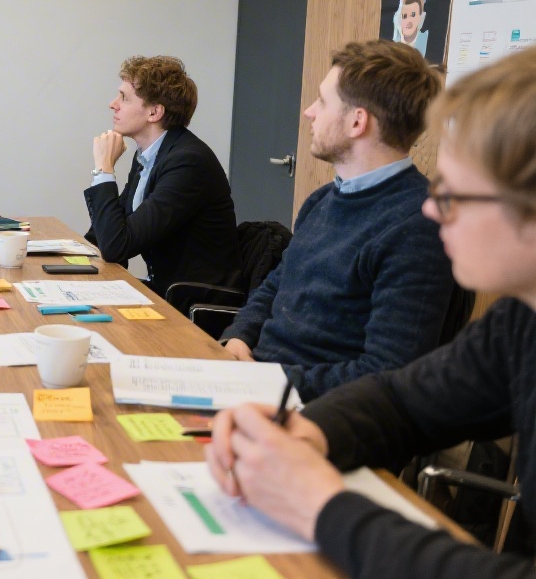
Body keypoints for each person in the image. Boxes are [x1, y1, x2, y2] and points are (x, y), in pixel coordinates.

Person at [205, 43, 536, 578]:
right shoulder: (521, 319)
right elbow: (404, 398)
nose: (432, 207)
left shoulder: (412, 227)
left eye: (455, 194)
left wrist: (321, 506)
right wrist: (310, 433)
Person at [221, 40, 456, 401]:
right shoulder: (323, 200)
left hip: (318, 413)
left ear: (357, 121)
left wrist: (271, 383)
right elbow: (274, 288)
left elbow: (386, 373)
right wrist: (237, 337)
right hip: (259, 388)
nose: (309, 112)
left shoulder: (417, 224)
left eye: (322, 101)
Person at [84, 55, 238, 296]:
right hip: (164, 292)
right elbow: (104, 236)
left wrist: (103, 169)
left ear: (154, 112)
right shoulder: (149, 155)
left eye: (124, 97)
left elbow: (117, 246)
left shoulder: (187, 163)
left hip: (191, 305)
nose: (113, 104)